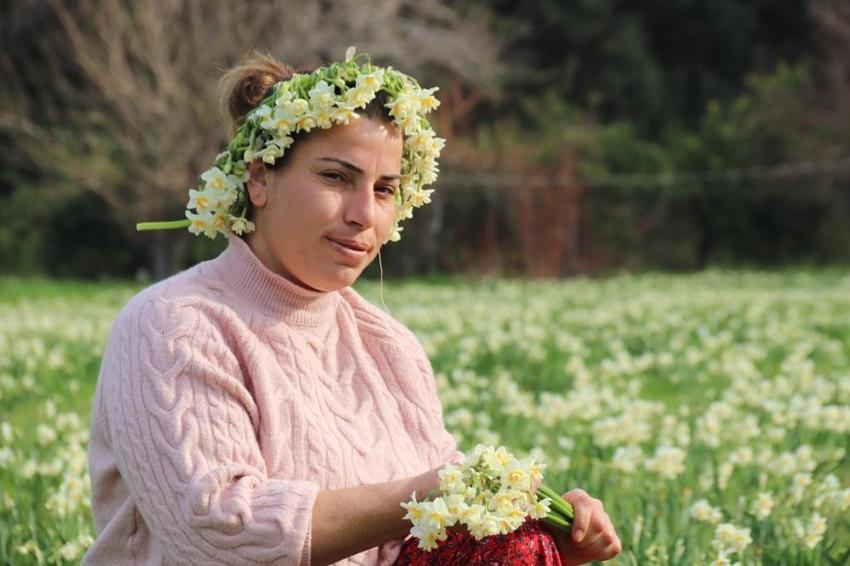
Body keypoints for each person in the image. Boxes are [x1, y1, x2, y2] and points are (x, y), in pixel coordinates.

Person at [83, 48, 621, 565]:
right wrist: (423, 494)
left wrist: (534, 528)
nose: (364, 214)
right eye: (336, 178)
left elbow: (423, 543)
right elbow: (220, 536)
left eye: (385, 189)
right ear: (259, 177)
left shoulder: (389, 346)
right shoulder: (174, 324)